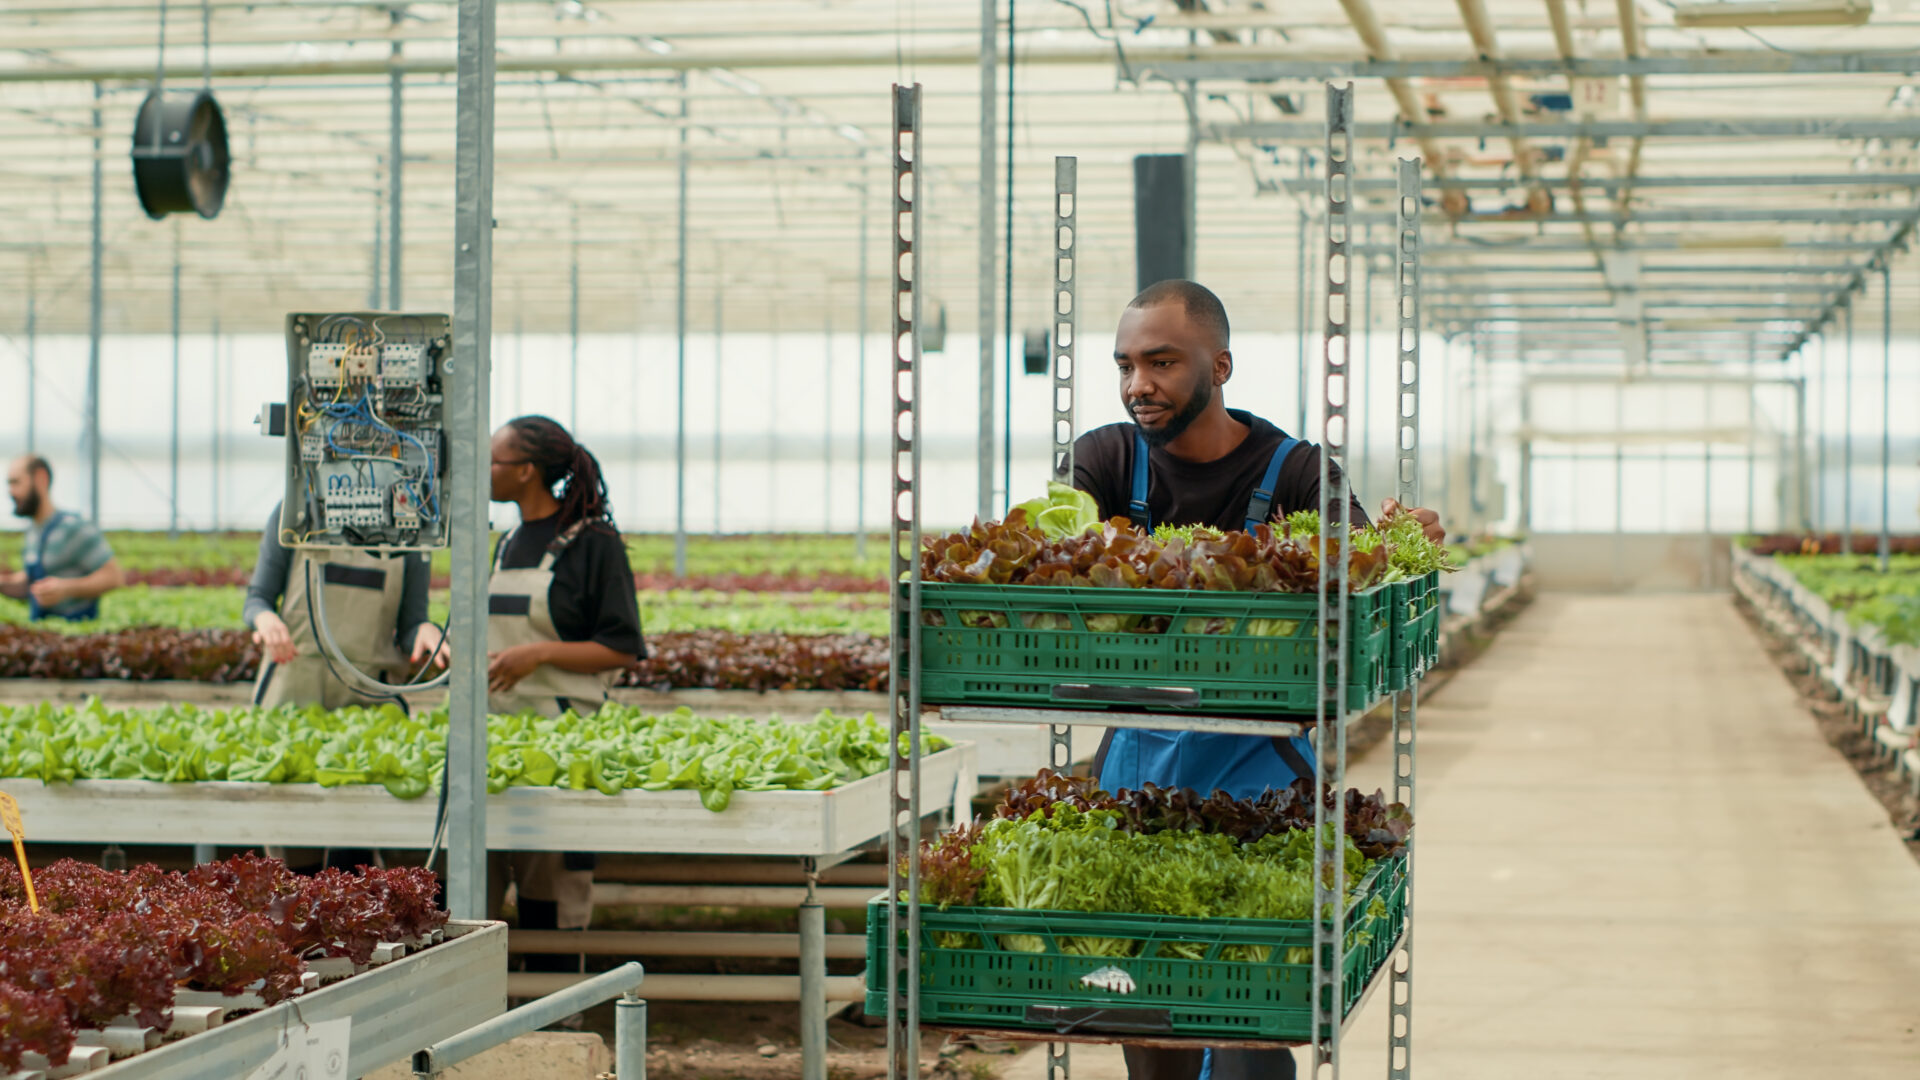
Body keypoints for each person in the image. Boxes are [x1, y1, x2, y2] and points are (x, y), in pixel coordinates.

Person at [1071, 280, 1444, 1080]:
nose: (1140, 385)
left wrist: (1407, 551)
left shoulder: (1299, 472)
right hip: (1135, 761)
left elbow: (1370, 589)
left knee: (1250, 1012)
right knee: (1149, 1002)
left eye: (1163, 362)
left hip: (1258, 773)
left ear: (1222, 364)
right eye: (1127, 365)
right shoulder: (1102, 458)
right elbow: (1055, 545)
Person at [435, 416, 644, 956]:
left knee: (549, 879)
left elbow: (622, 647)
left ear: (526, 471)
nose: (484, 472)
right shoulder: (503, 544)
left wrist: (540, 653)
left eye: (494, 462)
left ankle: (555, 1011)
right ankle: (478, 1012)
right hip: (494, 739)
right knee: (472, 880)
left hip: (563, 741)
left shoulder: (594, 545)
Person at [243, 500, 445, 710]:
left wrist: (424, 630)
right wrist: (264, 618)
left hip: (369, 701)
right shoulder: (297, 510)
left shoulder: (408, 523)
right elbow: (257, 600)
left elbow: (410, 627)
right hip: (291, 695)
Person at [1, 455, 125, 621]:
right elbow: (33, 579)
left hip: (75, 633)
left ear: (40, 478)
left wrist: (67, 589)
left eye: (16, 482)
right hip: (45, 634)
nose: (11, 492)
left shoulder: (74, 528)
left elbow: (114, 577)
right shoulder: (33, 531)